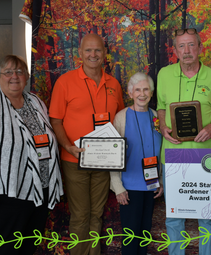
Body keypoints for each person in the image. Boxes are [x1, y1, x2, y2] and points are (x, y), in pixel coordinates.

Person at [0, 55, 63, 255]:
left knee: (29, 243)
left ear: (26, 77)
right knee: (5, 246)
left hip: (39, 190)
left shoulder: (35, 100)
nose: (14, 76)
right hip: (7, 192)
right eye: (8, 72)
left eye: (19, 72)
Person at [50, 33, 124, 255]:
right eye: (88, 50)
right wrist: (68, 146)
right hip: (75, 159)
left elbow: (119, 118)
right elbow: (55, 119)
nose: (93, 54)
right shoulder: (65, 82)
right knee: (80, 215)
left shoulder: (114, 84)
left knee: (96, 214)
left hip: (103, 161)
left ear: (104, 54)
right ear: (80, 53)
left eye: (98, 50)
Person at [157, 28, 211, 255]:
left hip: (206, 156)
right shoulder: (164, 74)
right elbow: (160, 107)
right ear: (174, 51)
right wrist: (162, 126)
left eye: (191, 45)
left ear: (200, 48)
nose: (187, 51)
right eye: (181, 46)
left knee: (207, 217)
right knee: (175, 216)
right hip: (173, 155)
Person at [110, 72, 163, 255]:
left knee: (144, 236)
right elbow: (112, 156)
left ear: (151, 92)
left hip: (151, 186)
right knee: (131, 237)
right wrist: (118, 187)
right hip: (129, 187)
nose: (142, 94)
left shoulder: (157, 117)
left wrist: (161, 180)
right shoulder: (121, 117)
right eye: (137, 89)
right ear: (130, 93)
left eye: (146, 89)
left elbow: (161, 150)